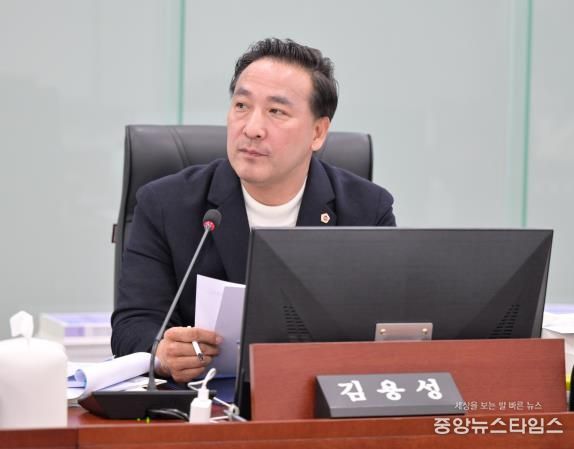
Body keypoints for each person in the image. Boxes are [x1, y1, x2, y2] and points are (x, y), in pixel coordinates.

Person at [111, 38, 396, 383]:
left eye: (276, 111)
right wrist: (162, 354)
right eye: (242, 106)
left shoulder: (367, 211)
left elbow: (386, 329)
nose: (252, 129)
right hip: (202, 401)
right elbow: (132, 325)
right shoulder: (164, 204)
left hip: (319, 399)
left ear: (318, 132)